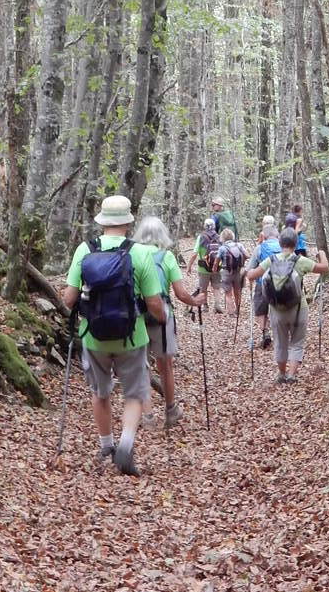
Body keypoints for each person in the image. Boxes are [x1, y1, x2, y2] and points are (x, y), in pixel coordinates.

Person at [62, 195, 166, 477]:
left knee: (100, 392)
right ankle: (126, 444)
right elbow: (154, 303)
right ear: (128, 222)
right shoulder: (140, 253)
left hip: (93, 336)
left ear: (102, 221)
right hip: (132, 336)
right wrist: (162, 318)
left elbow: (68, 299)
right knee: (134, 392)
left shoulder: (84, 250)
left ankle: (106, 445)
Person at [132, 215, 206, 430]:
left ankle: (147, 416)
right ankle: (171, 410)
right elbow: (180, 293)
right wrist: (195, 301)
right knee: (166, 365)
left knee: (141, 366)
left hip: (137, 314)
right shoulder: (167, 257)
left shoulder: (131, 255)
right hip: (162, 315)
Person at [244, 227, 329, 383]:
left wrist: (249, 270)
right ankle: (291, 375)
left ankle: (281, 374)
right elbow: (324, 268)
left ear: (280, 242)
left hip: (276, 309)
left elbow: (251, 275)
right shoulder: (300, 261)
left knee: (280, 343)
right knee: (297, 342)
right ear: (295, 244)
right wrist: (322, 254)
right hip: (298, 308)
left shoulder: (271, 260)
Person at [250, 223, 280, 350]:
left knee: (260, 309)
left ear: (264, 235)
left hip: (262, 283)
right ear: (277, 235)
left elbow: (251, 267)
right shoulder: (284, 248)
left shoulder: (260, 248)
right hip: (281, 284)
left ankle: (265, 332)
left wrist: (250, 277)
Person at [186, 218, 224, 312]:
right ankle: (217, 305)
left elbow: (194, 254)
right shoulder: (219, 237)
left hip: (203, 267)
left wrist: (189, 266)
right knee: (216, 287)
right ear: (214, 226)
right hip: (217, 267)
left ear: (205, 226)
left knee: (203, 288)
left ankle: (205, 306)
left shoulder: (201, 237)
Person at [217, 228, 247, 315]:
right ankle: (237, 310)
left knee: (228, 293)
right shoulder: (239, 245)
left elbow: (217, 260)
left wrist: (215, 269)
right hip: (238, 271)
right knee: (237, 291)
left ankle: (230, 312)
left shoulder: (222, 248)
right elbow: (247, 255)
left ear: (222, 237)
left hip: (226, 272)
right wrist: (241, 263)